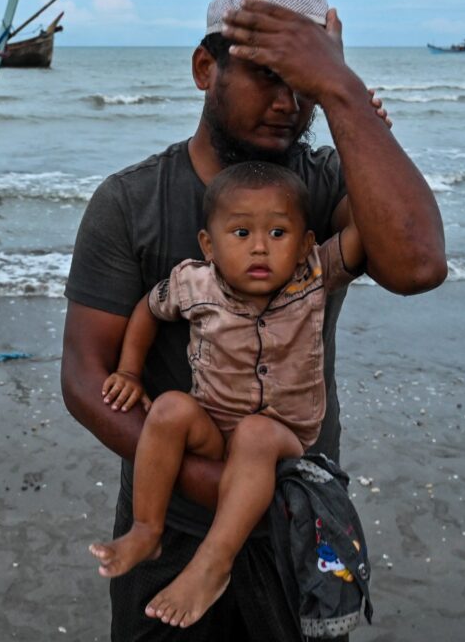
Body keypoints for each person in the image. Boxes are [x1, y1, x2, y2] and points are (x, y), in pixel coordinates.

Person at [61, 0, 446, 641]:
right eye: (268, 77)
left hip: (299, 514)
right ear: (205, 68)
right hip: (170, 518)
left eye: (306, 84)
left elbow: (416, 264)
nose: (288, 103)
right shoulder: (132, 201)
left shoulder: (326, 186)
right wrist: (206, 480)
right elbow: (84, 377)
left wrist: (345, 94)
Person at [89, 160, 365, 629]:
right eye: (240, 233)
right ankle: (147, 529)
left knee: (256, 434)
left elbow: (368, 229)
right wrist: (130, 371)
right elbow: (148, 310)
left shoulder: (313, 276)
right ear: (208, 245)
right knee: (172, 407)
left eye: (278, 234)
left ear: (304, 246)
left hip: (285, 435)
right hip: (215, 427)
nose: (259, 247)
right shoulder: (193, 282)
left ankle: (214, 561)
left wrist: (362, 130)